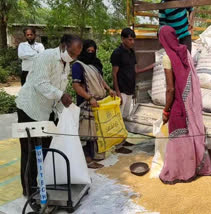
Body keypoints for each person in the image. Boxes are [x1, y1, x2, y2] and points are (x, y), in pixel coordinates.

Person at [15, 34, 82, 196]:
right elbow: (40, 83)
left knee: (44, 148)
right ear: (63, 45)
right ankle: (29, 190)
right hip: (29, 109)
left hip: (46, 112)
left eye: (76, 56)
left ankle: (42, 184)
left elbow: (58, 86)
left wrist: (64, 107)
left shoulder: (65, 64)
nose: (73, 57)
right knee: (30, 151)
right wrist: (60, 95)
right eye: (71, 53)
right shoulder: (46, 57)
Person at [158, 26, 211, 184]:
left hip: (179, 101)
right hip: (190, 100)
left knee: (177, 131)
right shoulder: (185, 51)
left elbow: (170, 88)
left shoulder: (167, 57)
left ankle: (179, 172)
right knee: (190, 132)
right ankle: (193, 168)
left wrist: (166, 111)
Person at [72, 39, 116, 169]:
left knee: (97, 132)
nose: (91, 53)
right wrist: (89, 97)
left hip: (98, 103)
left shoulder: (93, 65)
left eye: (93, 51)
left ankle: (95, 155)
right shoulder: (77, 65)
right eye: (88, 51)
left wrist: (109, 90)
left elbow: (100, 80)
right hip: (87, 103)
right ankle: (87, 159)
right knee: (87, 134)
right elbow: (76, 85)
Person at [110, 28, 154, 153]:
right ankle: (118, 146)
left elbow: (135, 71)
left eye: (133, 39)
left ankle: (123, 141)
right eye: (129, 39)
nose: (132, 41)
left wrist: (151, 67)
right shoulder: (117, 53)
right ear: (122, 39)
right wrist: (117, 92)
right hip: (121, 91)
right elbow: (114, 74)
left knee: (124, 117)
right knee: (118, 119)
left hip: (129, 90)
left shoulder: (131, 53)